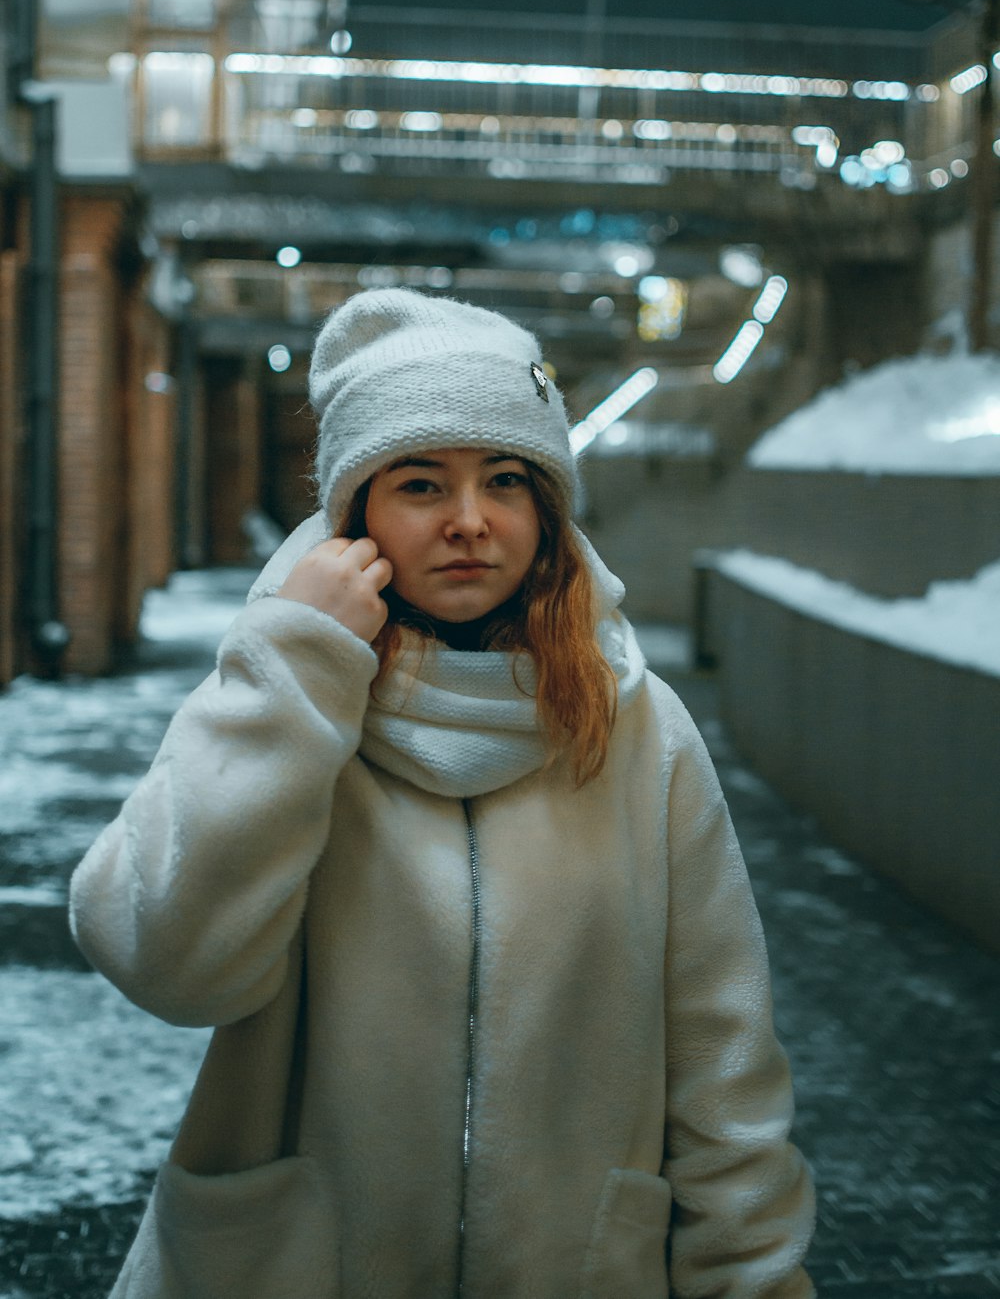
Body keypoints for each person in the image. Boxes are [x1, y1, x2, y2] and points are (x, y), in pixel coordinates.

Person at [70, 288, 816, 1299]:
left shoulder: (636, 728)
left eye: (505, 479)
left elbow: (724, 1069)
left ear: (544, 508)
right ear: (355, 513)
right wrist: (296, 670)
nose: (470, 523)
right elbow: (165, 961)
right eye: (420, 484)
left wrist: (757, 1281)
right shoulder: (282, 695)